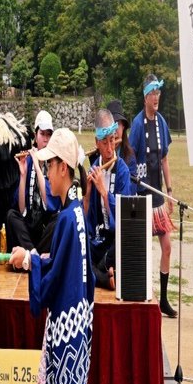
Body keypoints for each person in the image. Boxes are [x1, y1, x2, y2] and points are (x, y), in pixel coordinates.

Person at [9, 128, 94, 384]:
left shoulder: (65, 220)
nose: (46, 173)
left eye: (49, 166)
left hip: (65, 335)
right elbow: (81, 276)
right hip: (80, 331)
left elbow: (49, 287)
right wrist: (41, 262)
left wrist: (29, 262)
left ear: (63, 167)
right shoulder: (76, 215)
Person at [129, 74, 177, 317]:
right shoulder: (137, 125)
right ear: (145, 97)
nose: (156, 97)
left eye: (158, 93)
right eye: (152, 93)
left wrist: (169, 192)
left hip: (158, 195)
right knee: (141, 249)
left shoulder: (161, 123)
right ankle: (142, 295)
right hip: (141, 195)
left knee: (167, 247)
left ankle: (164, 298)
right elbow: (130, 159)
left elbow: (165, 158)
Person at [85, 108, 134, 290]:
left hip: (114, 240)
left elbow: (125, 218)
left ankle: (96, 271)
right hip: (98, 239)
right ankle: (103, 276)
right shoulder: (93, 170)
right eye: (104, 142)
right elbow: (87, 219)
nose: (109, 147)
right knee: (78, 244)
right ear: (96, 142)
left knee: (123, 243)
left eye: (112, 140)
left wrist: (105, 193)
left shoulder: (122, 171)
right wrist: (89, 194)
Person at [6, 110, 60, 255]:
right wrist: (23, 175)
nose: (46, 139)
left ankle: (31, 256)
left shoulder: (54, 163)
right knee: (12, 215)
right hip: (28, 231)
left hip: (45, 229)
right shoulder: (28, 160)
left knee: (58, 220)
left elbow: (49, 203)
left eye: (49, 134)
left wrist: (37, 165)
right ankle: (33, 254)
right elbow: (22, 208)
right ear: (35, 137)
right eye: (42, 134)